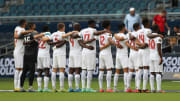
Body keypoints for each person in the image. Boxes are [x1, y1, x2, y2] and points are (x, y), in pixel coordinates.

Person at [42, 23, 78, 92]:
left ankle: (53, 87)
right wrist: (72, 32)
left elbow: (45, 39)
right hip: (61, 53)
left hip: (55, 53)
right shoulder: (63, 33)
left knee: (54, 69)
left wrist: (42, 36)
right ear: (63, 27)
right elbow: (65, 36)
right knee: (62, 69)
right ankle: (61, 87)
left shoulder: (54, 34)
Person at [78, 20, 111, 92]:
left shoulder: (82, 31)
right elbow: (95, 33)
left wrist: (86, 46)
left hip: (83, 51)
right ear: (92, 24)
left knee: (83, 69)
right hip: (91, 52)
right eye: (94, 24)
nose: (95, 25)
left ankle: (83, 88)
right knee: (90, 69)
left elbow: (80, 42)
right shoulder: (93, 30)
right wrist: (104, 31)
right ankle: (88, 88)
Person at [97, 20, 120, 92]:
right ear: (108, 26)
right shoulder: (108, 33)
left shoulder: (100, 33)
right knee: (109, 70)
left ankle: (101, 88)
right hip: (107, 53)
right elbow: (110, 41)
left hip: (101, 53)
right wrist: (116, 44)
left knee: (101, 71)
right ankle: (108, 88)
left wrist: (102, 47)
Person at [13, 19, 34, 92]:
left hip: (19, 51)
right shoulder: (19, 28)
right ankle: (18, 87)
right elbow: (16, 36)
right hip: (19, 52)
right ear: (23, 23)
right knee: (20, 69)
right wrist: (30, 31)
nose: (26, 24)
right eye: (25, 23)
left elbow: (16, 40)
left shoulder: (21, 29)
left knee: (19, 69)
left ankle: (17, 86)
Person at [20, 23, 39, 92]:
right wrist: (35, 40)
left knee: (24, 72)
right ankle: (30, 87)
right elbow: (35, 40)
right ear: (32, 26)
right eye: (34, 25)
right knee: (32, 71)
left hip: (26, 55)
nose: (35, 25)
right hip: (32, 55)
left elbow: (24, 43)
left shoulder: (26, 34)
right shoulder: (34, 33)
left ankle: (21, 87)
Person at [67, 23, 83, 92]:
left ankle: (70, 88)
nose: (80, 27)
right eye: (79, 26)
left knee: (71, 70)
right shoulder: (78, 34)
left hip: (71, 53)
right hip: (77, 53)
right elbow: (77, 39)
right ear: (77, 27)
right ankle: (77, 88)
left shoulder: (69, 34)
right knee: (77, 70)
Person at [149, 24, 165, 93]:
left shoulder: (150, 37)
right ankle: (159, 89)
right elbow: (159, 48)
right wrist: (161, 57)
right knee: (158, 72)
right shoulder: (159, 38)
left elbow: (148, 36)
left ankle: (152, 89)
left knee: (152, 73)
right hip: (156, 56)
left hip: (150, 55)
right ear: (158, 29)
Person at [113, 23, 129, 92]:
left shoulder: (115, 36)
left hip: (118, 55)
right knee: (125, 71)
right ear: (123, 28)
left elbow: (114, 41)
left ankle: (115, 87)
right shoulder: (125, 36)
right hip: (124, 55)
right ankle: (126, 87)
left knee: (117, 72)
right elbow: (125, 42)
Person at [125, 23, 141, 92]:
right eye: (139, 26)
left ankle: (128, 88)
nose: (140, 27)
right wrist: (134, 47)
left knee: (130, 71)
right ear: (137, 27)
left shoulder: (129, 34)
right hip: (136, 53)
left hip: (131, 53)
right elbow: (133, 39)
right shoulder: (138, 33)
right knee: (138, 71)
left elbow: (126, 42)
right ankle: (137, 88)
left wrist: (131, 47)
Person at [36, 25, 52, 92]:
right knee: (46, 70)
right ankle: (45, 88)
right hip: (45, 54)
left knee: (40, 70)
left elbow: (34, 38)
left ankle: (39, 88)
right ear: (48, 30)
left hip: (39, 53)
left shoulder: (40, 35)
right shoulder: (48, 34)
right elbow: (46, 39)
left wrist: (40, 35)